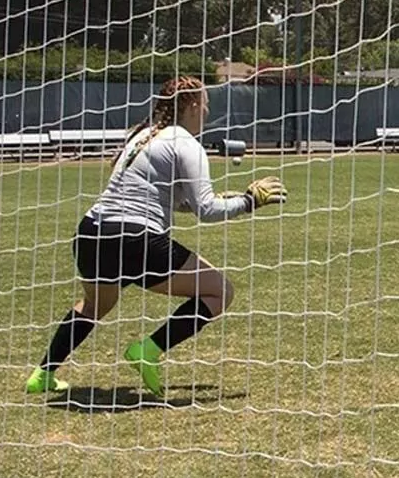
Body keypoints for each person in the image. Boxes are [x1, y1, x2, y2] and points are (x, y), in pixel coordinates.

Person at [25, 76, 284, 398]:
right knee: (219, 292)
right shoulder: (186, 143)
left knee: (94, 306)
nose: (207, 111)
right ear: (192, 105)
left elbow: (174, 200)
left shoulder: (143, 135)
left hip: (92, 232)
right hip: (136, 238)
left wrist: (225, 199)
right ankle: (148, 350)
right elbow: (206, 211)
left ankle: (42, 374)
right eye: (205, 103)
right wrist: (249, 202)